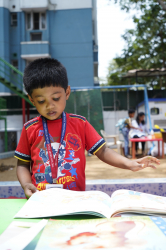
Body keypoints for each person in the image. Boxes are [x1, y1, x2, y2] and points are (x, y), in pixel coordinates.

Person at [14, 58, 160, 198]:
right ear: (32, 100)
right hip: (40, 201)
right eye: (41, 101)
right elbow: (22, 164)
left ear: (67, 93)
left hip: (75, 201)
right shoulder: (29, 128)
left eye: (56, 98)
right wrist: (26, 184)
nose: (49, 105)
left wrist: (129, 163)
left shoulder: (80, 124)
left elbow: (103, 150)